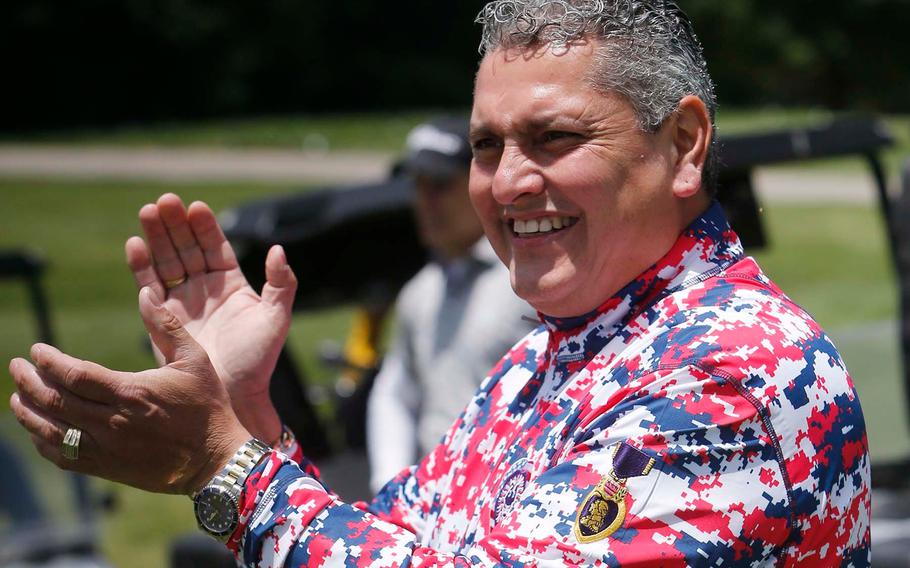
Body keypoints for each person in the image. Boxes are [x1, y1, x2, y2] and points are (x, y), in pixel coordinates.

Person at [8, 1, 870, 565]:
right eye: (487, 146)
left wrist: (222, 466)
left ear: (683, 145)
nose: (507, 183)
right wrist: (248, 417)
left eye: (555, 139)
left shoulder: (729, 370)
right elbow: (396, 544)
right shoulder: (551, 356)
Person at [367, 117, 536, 492]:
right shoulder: (419, 292)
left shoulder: (531, 280)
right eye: (417, 185)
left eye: (440, 185)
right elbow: (397, 391)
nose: (424, 202)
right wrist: (389, 484)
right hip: (433, 503)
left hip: (512, 495)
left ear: (483, 184)